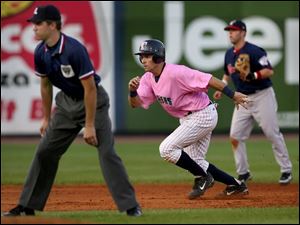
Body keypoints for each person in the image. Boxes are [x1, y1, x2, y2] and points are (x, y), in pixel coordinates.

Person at [3, 5, 142, 217]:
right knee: (44, 151)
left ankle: (131, 206)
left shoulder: (73, 49)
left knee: (107, 153)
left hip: (93, 102)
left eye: (38, 23)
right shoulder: (41, 51)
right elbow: (46, 85)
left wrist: (89, 125)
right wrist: (46, 118)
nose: (34, 28)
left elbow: (90, 88)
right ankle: (27, 206)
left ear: (52, 25)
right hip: (66, 104)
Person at [128, 39, 250, 200]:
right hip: (188, 118)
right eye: (141, 56)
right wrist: (132, 92)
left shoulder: (177, 72)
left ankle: (204, 177)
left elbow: (209, 79)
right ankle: (236, 185)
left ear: (158, 57)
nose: (143, 59)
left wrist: (233, 95)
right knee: (195, 161)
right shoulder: (148, 78)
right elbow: (136, 104)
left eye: (147, 56)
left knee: (166, 149)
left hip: (202, 114)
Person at [213, 20, 293, 184]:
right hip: (242, 98)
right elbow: (227, 74)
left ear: (243, 32)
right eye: (229, 30)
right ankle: (243, 173)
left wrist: (253, 75)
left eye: (234, 30)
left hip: (262, 95)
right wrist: (222, 87)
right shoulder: (229, 53)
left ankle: (286, 170)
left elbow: (269, 70)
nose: (230, 33)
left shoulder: (254, 51)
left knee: (271, 133)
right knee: (235, 136)